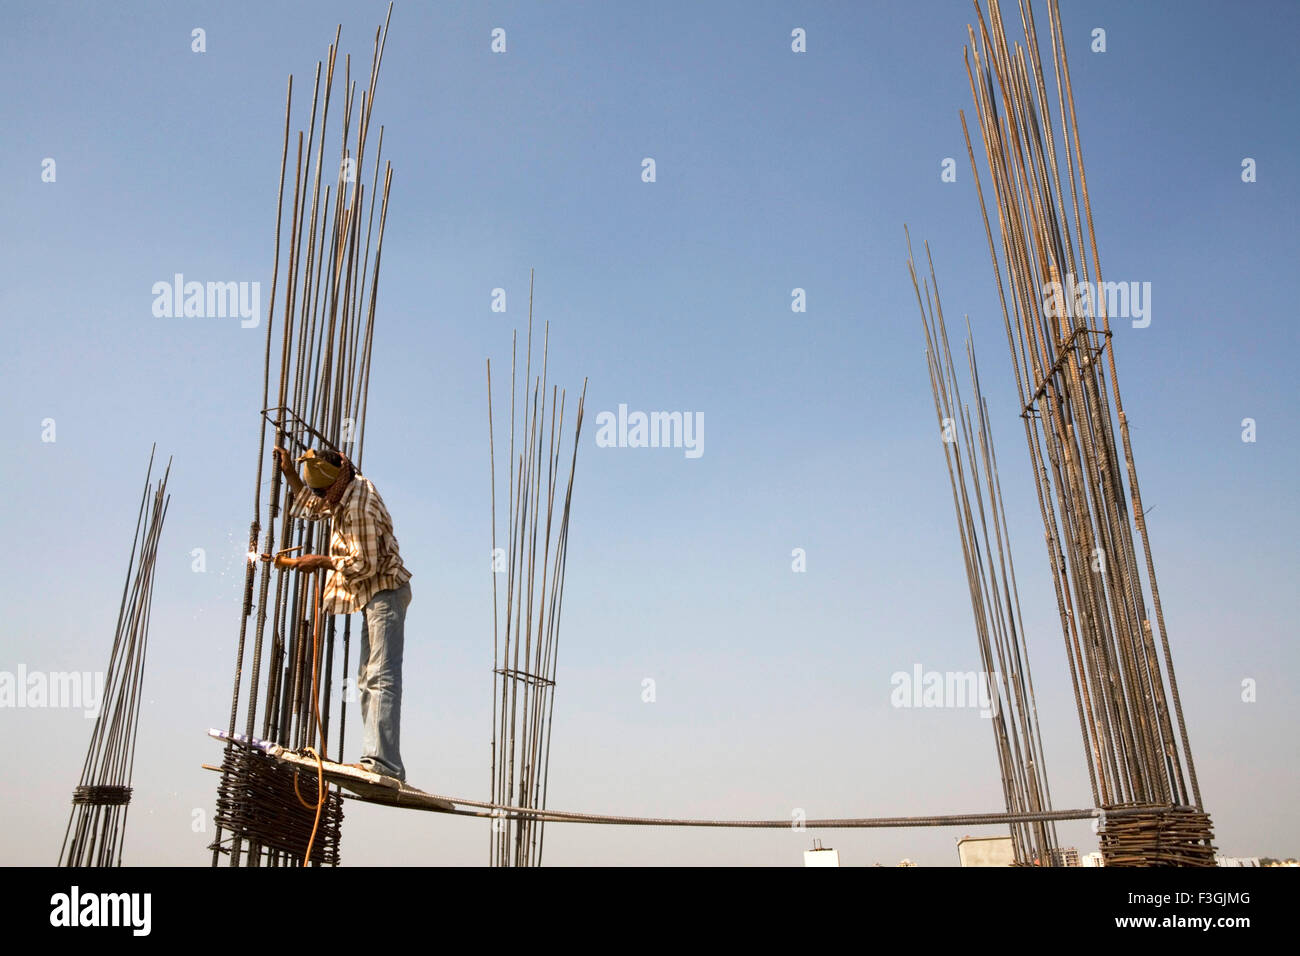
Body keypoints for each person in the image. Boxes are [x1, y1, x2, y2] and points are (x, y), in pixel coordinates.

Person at [272, 445, 413, 782]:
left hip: (385, 593)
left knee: (381, 677)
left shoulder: (359, 505)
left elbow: (365, 564)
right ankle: (378, 759)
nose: (322, 499)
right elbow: (317, 506)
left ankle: (383, 764)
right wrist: (292, 474)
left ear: (335, 484)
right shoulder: (346, 486)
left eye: (322, 492)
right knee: (368, 678)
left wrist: (319, 561)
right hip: (373, 595)